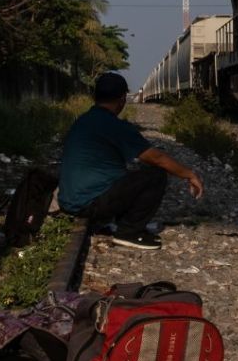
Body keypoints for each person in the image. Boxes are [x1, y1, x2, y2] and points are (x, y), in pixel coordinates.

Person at [59, 73, 204, 250]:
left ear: (95, 97)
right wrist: (189, 174)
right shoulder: (114, 126)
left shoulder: (84, 120)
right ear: (122, 99)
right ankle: (129, 232)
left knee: (130, 174)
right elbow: (157, 158)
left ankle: (122, 225)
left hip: (70, 201)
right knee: (155, 175)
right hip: (89, 204)